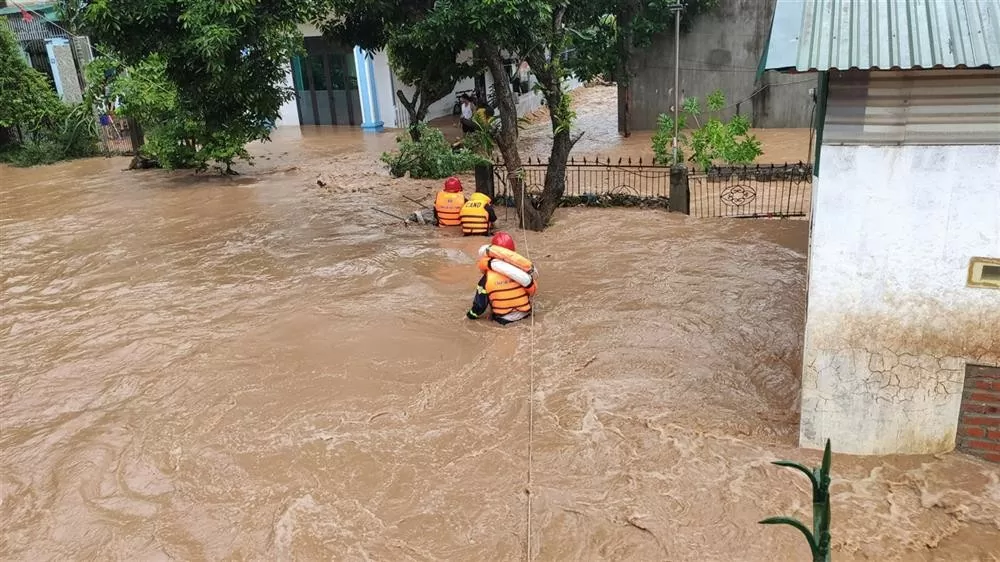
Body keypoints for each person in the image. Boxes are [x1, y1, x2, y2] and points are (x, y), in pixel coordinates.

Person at [467, 232, 537, 325]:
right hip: (526, 316)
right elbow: (531, 292)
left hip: (502, 321)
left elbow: (480, 306)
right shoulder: (522, 272)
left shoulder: (486, 279)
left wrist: (470, 316)